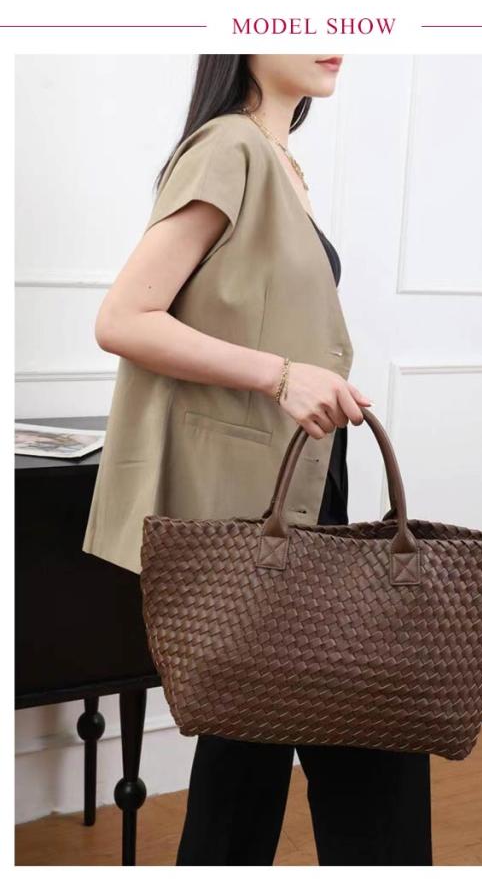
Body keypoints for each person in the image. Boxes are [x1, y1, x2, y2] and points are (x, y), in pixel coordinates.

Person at [83, 54, 432, 866]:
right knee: (365, 736)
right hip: (257, 515)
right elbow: (123, 317)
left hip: (299, 500)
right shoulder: (230, 147)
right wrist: (281, 375)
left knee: (251, 762)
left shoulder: (278, 159)